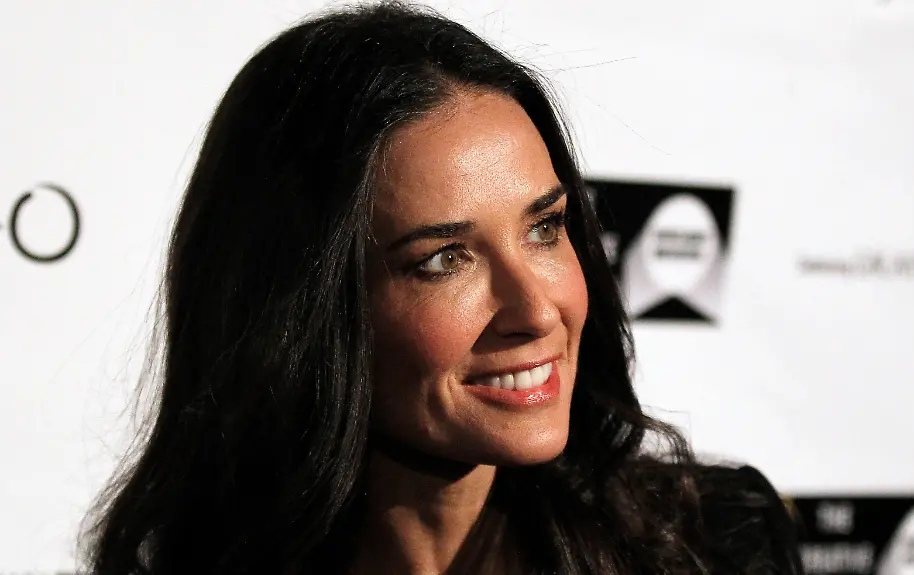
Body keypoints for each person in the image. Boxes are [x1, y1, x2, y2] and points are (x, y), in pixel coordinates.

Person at [80, 2, 804, 574]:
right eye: (444, 259)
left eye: (544, 228)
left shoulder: (717, 543)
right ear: (302, 308)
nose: (535, 310)